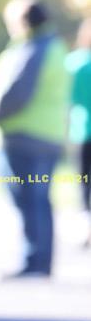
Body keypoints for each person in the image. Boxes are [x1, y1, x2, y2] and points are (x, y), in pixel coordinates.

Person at [0, 0, 70, 277]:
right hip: (48, 135)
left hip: (24, 136)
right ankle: (41, 262)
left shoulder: (32, 48)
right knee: (40, 201)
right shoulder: (55, 46)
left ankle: (34, 261)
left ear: (21, 21)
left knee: (28, 201)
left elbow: (18, 93)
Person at [65, 17, 91, 246]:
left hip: (83, 130)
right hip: (83, 129)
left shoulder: (74, 62)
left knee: (84, 182)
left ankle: (86, 228)